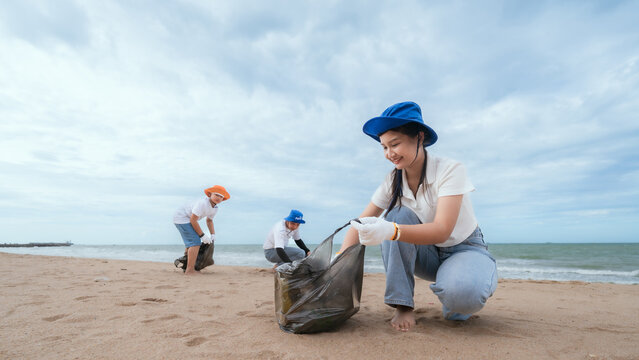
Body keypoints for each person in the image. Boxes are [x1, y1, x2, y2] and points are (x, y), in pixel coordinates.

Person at [339, 101, 498, 332]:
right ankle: (402, 305)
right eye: (384, 147)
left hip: (464, 248)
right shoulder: (392, 180)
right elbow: (359, 223)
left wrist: (391, 230)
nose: (389, 154)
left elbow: (443, 229)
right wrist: (339, 259)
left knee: (462, 296)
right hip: (427, 253)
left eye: (395, 144)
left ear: (419, 138)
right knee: (398, 213)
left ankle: (456, 290)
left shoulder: (450, 170)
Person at [173, 185, 230, 275]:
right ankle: (190, 270)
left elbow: (209, 220)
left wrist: (213, 234)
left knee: (191, 243)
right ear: (210, 194)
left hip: (188, 219)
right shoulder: (203, 203)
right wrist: (202, 235)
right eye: (216, 195)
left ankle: (186, 266)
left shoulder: (215, 208)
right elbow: (193, 220)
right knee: (195, 242)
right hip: (182, 218)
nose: (218, 198)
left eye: (221, 196)